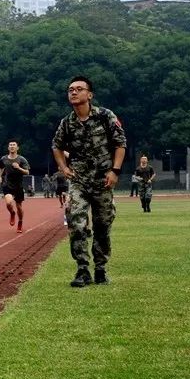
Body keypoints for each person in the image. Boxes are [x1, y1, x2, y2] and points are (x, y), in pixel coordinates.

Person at [52, 75, 127, 287]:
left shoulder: (105, 116)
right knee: (76, 222)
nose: (73, 92)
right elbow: (56, 146)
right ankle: (82, 269)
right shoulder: (67, 123)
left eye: (78, 89)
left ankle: (101, 268)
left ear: (89, 94)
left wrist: (115, 171)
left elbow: (120, 143)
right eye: (70, 90)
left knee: (103, 225)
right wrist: (64, 167)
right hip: (79, 181)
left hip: (103, 180)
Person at [0, 140, 31, 233]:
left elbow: (27, 172)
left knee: (19, 206)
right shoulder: (3, 159)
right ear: (8, 148)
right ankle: (12, 213)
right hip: (7, 184)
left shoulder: (21, 159)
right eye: (10, 145)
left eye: (14, 145)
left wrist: (19, 168)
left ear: (17, 148)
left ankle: (20, 222)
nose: (12, 146)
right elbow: (1, 167)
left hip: (18, 185)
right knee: (8, 203)